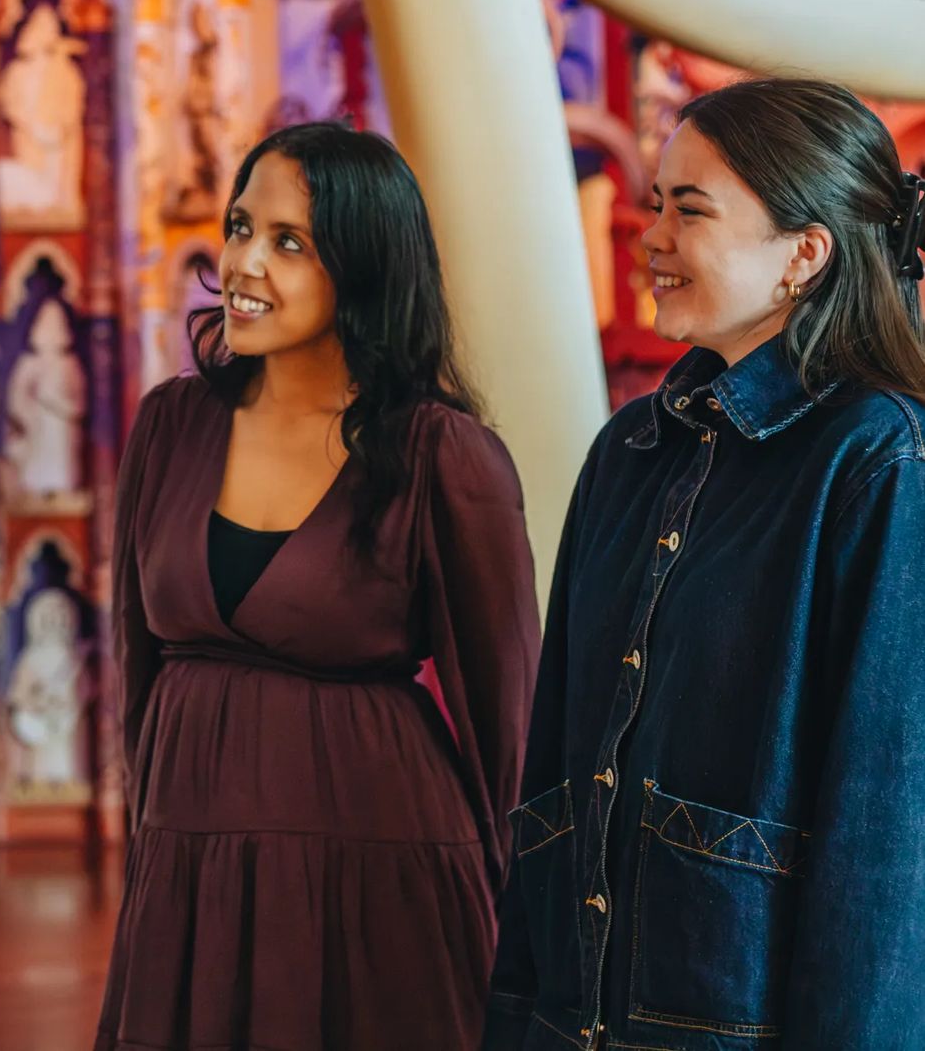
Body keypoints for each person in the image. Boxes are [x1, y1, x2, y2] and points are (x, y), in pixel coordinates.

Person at [485, 78, 925, 1051]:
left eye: (690, 210)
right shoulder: (629, 450)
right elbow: (555, 765)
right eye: (655, 204)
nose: (651, 238)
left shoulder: (880, 459)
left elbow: (885, 839)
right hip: (583, 1017)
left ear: (804, 256)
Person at [97, 122, 540, 1051]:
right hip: (191, 868)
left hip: (383, 873)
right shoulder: (171, 425)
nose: (246, 262)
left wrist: (539, 936)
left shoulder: (441, 455)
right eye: (241, 227)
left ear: (366, 266)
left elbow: (511, 718)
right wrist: (156, 844)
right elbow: (135, 662)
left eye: (290, 242)